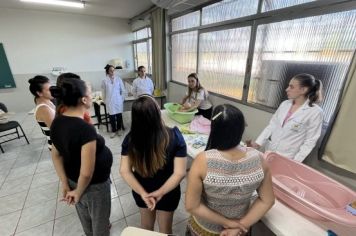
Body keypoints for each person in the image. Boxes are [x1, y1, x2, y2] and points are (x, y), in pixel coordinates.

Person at [185, 104, 275, 236]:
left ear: (214, 129)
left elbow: (192, 206)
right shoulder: (259, 159)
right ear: (242, 128)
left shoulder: (202, 161)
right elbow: (268, 200)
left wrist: (227, 222)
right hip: (239, 232)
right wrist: (240, 226)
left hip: (205, 229)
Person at [50, 75, 113, 236]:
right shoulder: (85, 130)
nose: (92, 95)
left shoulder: (57, 121)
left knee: (86, 219)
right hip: (94, 187)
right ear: (84, 100)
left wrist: (65, 183)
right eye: (91, 92)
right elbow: (86, 172)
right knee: (100, 225)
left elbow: (56, 155)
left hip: (73, 180)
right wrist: (78, 192)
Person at [120, 95, 187, 234]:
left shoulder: (130, 139)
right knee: (165, 230)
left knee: (146, 228)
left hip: (142, 190)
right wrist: (160, 192)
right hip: (168, 191)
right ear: (157, 112)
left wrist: (144, 194)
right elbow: (180, 173)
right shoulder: (175, 136)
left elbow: (124, 171)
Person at [248, 73, 323, 162]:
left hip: (289, 157)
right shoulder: (285, 104)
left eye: (291, 87)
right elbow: (272, 126)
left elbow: (310, 141)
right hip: (270, 150)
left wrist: (296, 162)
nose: (286, 89)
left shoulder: (315, 112)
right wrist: (258, 143)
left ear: (303, 90)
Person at [28, 75, 55, 150]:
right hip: (57, 145)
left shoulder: (48, 101)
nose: (52, 91)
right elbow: (57, 131)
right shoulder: (44, 109)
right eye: (49, 90)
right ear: (39, 93)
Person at [101, 64, 126, 138]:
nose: (112, 72)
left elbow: (123, 90)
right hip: (110, 101)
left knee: (119, 115)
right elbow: (103, 92)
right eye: (111, 70)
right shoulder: (104, 80)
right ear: (107, 72)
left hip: (118, 100)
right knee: (111, 116)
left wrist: (122, 99)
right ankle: (114, 130)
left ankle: (119, 129)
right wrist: (105, 101)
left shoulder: (118, 79)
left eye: (113, 70)